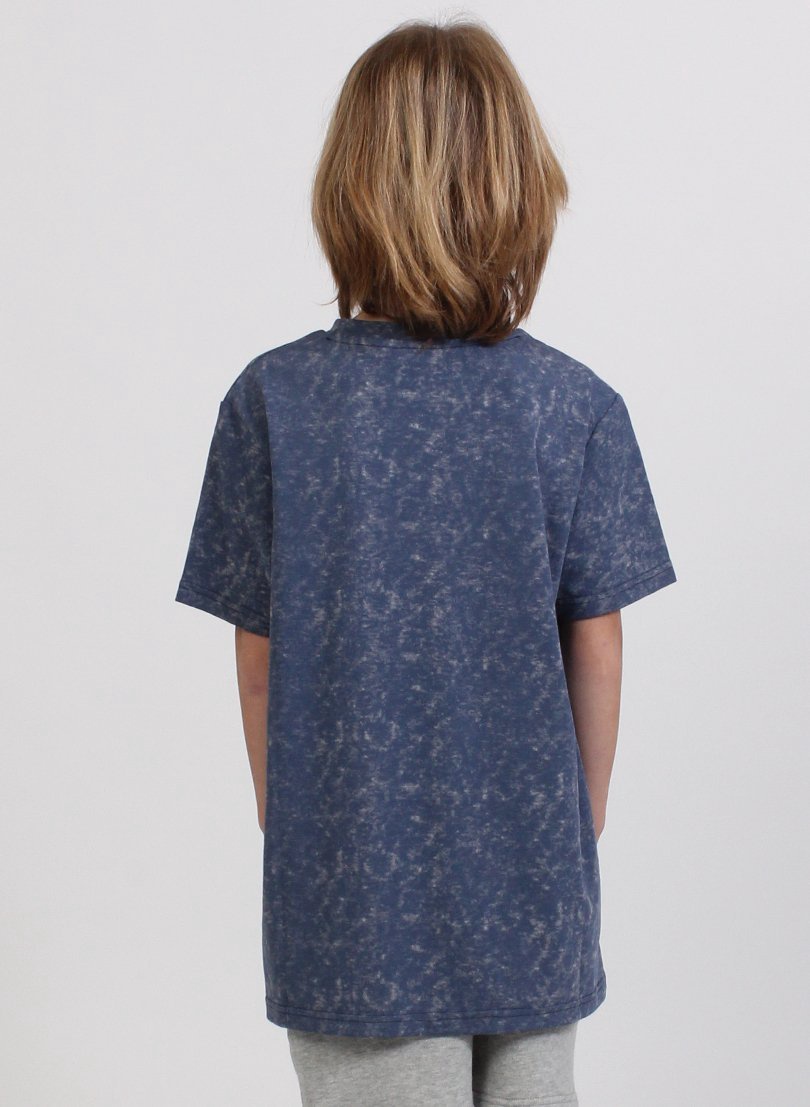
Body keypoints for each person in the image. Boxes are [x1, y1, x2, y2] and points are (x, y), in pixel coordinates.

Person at [174, 16, 677, 1107]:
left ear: (348, 188)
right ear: (519, 186)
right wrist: (572, 827)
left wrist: (298, 826)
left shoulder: (273, 401)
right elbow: (598, 642)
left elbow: (259, 662)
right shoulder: (575, 405)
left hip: (354, 892)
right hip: (533, 881)